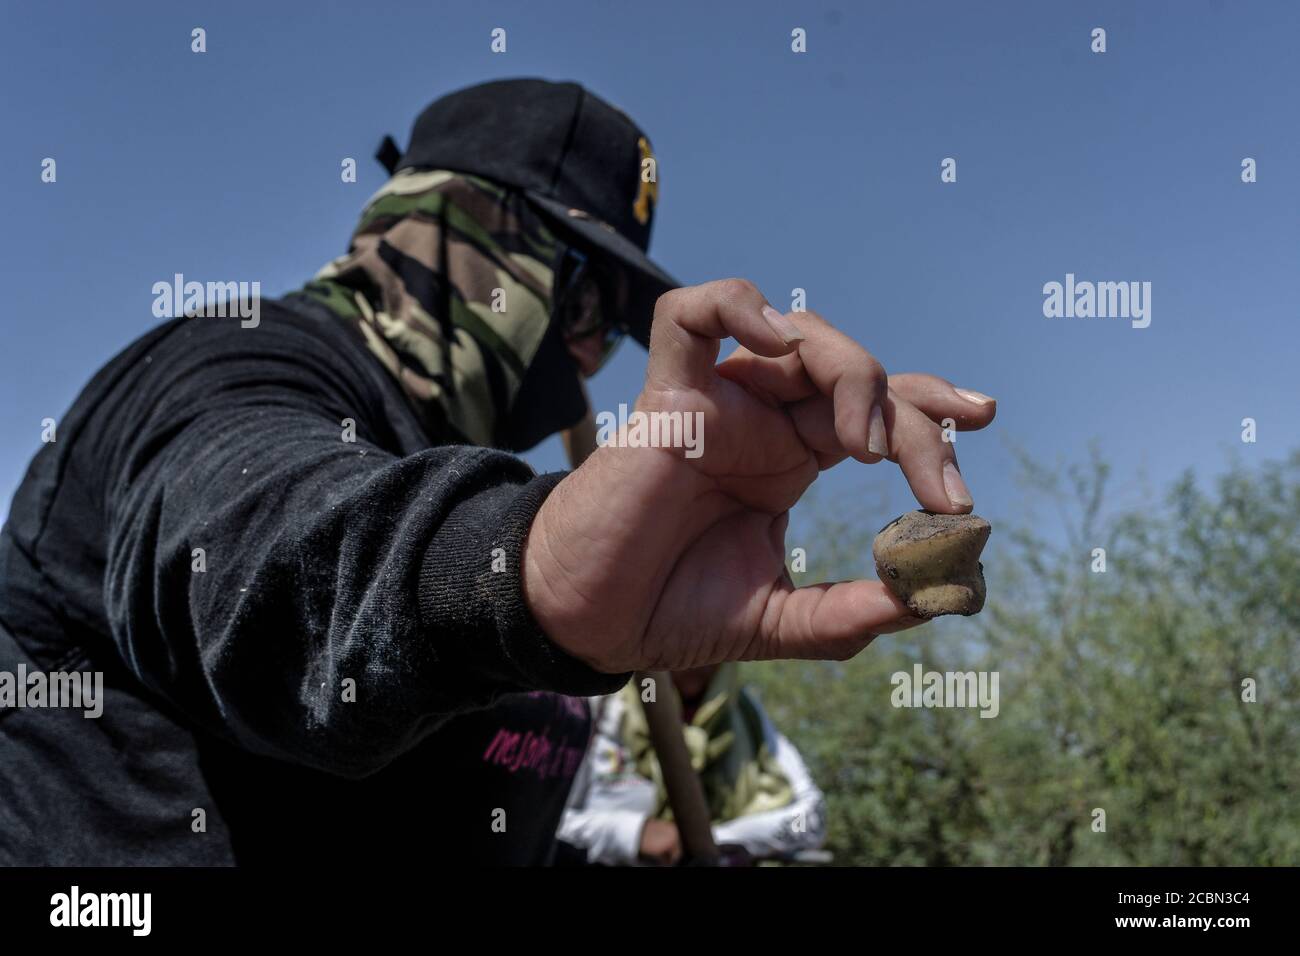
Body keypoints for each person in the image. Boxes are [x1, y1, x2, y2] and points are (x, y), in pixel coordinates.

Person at [0, 78, 996, 866]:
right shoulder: (230, 364)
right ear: (450, 227)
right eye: (576, 308)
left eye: (610, 333)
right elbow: (266, 555)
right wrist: (517, 573)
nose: (587, 365)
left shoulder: (466, 468)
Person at [558, 664, 827, 866]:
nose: (700, 652)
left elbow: (809, 819)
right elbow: (550, 823)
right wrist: (632, 834)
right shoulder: (601, 706)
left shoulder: (744, 714)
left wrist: (718, 839)